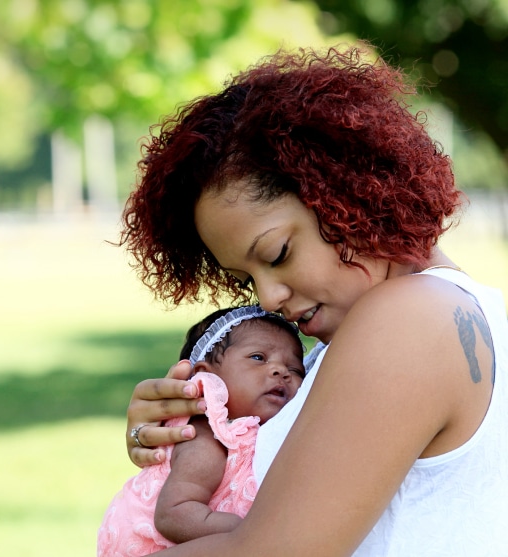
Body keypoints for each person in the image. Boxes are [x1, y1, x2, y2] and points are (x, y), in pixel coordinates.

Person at [119, 44, 508, 556]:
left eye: (278, 253)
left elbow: (268, 551)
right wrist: (188, 448)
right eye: (244, 279)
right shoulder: (427, 316)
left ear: (350, 195)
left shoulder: (412, 318)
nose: (268, 297)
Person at [97, 305, 305, 556]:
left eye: (295, 370)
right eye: (258, 357)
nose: (280, 371)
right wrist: (254, 531)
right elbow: (174, 514)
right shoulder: (205, 437)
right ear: (208, 376)